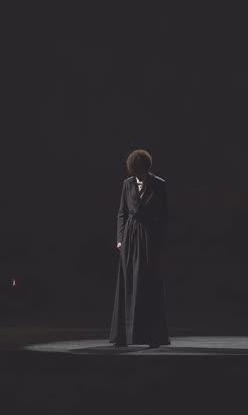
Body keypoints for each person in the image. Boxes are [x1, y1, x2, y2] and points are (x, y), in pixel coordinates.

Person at [110, 149, 170, 348]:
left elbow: (165, 215)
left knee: (149, 285)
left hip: (150, 237)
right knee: (129, 284)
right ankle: (124, 336)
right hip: (130, 237)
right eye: (135, 171)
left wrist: (160, 240)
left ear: (147, 167)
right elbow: (122, 212)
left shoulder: (160, 184)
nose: (138, 175)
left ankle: (154, 336)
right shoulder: (127, 184)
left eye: (141, 171)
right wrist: (120, 238)